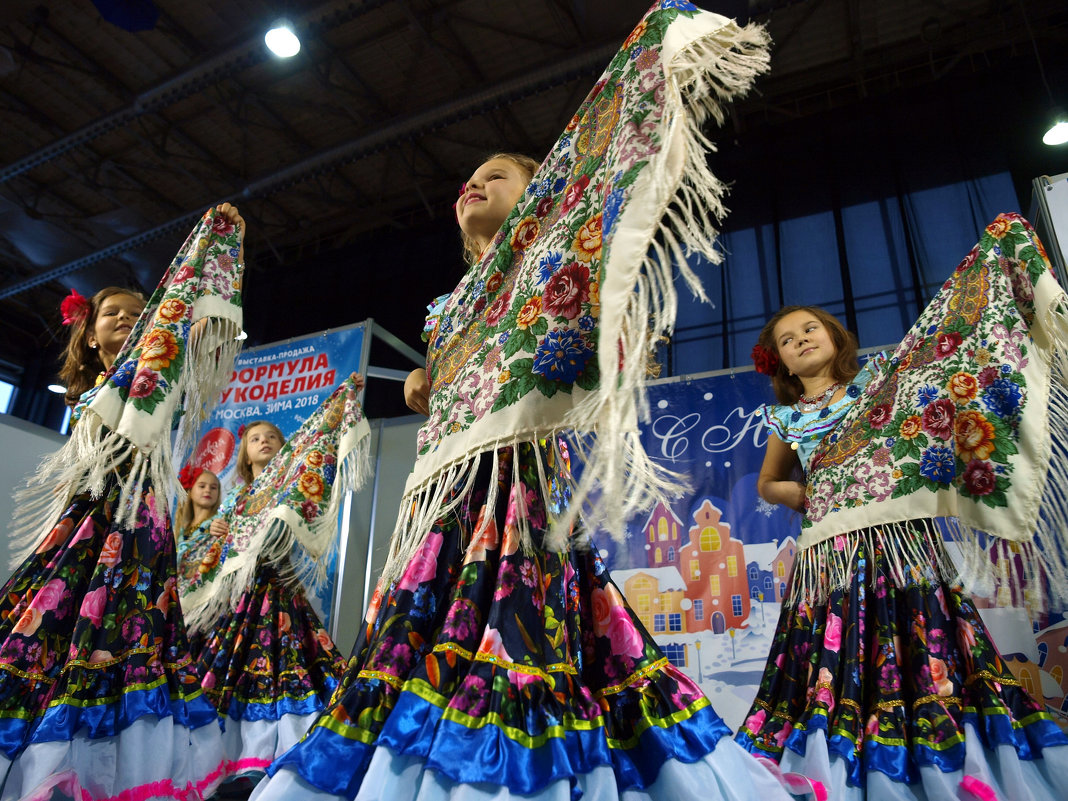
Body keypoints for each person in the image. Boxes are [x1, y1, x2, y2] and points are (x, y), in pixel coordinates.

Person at [251, 152, 797, 801]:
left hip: (524, 485)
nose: (473, 184)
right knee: (423, 632)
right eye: (467, 181)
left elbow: (609, 331)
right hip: (447, 500)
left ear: (539, 201)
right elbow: (456, 380)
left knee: (526, 627)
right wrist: (429, 377)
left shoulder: (557, 271)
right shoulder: (444, 309)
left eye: (497, 176)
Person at [737, 289, 1068, 798]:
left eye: (809, 329)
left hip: (898, 539)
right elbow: (766, 482)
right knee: (840, 650)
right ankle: (846, 762)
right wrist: (804, 493)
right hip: (832, 550)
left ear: (834, 335)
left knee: (920, 637)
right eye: (786, 339)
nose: (800, 339)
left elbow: (944, 370)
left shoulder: (877, 384)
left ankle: (948, 757)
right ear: (777, 360)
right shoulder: (786, 419)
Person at [0, 203, 247, 800]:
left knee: (127, 629)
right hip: (86, 519)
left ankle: (101, 762)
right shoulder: (89, 395)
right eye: (112, 313)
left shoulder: (156, 386)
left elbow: (182, 332)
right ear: (89, 329)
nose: (126, 320)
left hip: (137, 520)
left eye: (138, 315)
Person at [184, 418, 350, 777]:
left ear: (284, 445)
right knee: (237, 666)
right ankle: (234, 754)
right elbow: (221, 545)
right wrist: (217, 529)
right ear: (244, 451)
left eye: (272, 437)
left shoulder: (292, 483)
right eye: (255, 438)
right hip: (240, 594)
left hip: (277, 586)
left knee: (285, 659)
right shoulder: (237, 497)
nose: (263, 442)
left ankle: (290, 747)